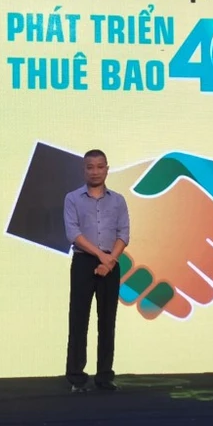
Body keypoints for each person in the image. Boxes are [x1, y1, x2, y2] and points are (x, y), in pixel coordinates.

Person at [63, 149, 130, 393]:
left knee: (107, 321)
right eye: (90, 167)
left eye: (100, 167)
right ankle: (77, 378)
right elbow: (73, 233)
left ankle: (104, 376)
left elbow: (124, 234)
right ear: (84, 170)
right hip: (84, 262)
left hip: (111, 263)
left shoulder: (118, 200)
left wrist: (109, 261)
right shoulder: (72, 198)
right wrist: (101, 256)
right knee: (79, 320)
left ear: (107, 169)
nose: (95, 171)